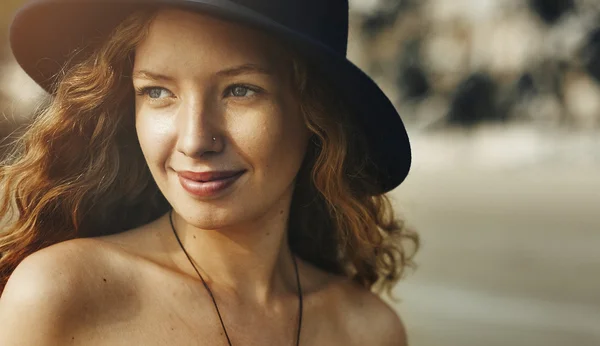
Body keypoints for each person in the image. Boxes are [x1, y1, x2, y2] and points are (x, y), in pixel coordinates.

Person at [0, 0, 418, 344]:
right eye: (158, 92)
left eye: (240, 90)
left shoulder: (369, 332)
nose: (195, 140)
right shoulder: (60, 296)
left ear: (316, 114)